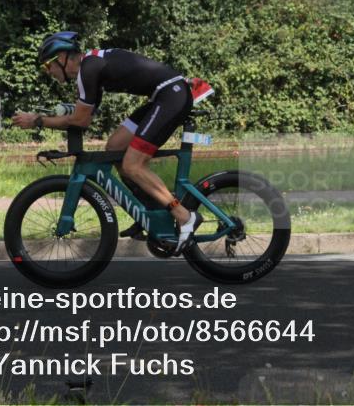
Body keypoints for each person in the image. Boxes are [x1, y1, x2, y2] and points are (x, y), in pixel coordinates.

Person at [12, 31, 213, 252]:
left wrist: (38, 121)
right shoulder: (90, 68)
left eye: (47, 65)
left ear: (63, 57)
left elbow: (79, 120)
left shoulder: (88, 69)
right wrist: (53, 116)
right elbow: (85, 118)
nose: (47, 71)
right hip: (164, 95)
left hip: (171, 95)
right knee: (115, 147)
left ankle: (184, 216)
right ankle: (150, 211)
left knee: (132, 164)